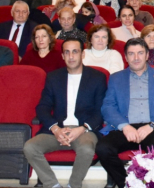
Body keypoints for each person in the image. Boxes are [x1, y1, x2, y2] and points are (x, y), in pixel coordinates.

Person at [95, 38, 154, 187]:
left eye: (140, 53)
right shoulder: (116, 78)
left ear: (147, 55)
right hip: (125, 127)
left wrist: (151, 126)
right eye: (131, 54)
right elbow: (107, 107)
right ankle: (127, 183)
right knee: (103, 148)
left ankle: (149, 183)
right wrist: (124, 126)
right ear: (126, 57)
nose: (136, 58)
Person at [24, 38, 107, 188]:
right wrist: (55, 129)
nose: (71, 56)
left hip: (84, 130)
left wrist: (82, 128)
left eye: (75, 51)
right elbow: (42, 107)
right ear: (62, 56)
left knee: (86, 149)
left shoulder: (97, 77)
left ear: (82, 54)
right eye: (67, 52)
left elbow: (101, 110)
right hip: (58, 129)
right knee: (30, 147)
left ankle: (73, 185)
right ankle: (52, 184)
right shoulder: (53, 77)